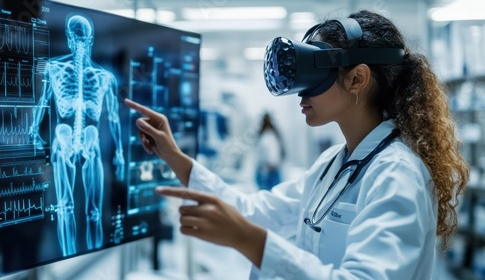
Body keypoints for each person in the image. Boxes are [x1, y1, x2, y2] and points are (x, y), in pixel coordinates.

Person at [125, 10, 469, 279]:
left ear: (357, 79)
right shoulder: (332, 164)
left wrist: (250, 242)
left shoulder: (396, 175)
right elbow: (252, 211)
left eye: (312, 75)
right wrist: (173, 155)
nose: (299, 93)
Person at [30, 14, 125, 256]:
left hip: (91, 142)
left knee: (93, 210)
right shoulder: (54, 68)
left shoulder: (105, 77)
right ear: (70, 40)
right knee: (65, 207)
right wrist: (33, 129)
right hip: (63, 140)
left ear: (88, 40)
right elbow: (43, 101)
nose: (78, 43)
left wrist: (120, 153)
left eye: (80, 38)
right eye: (75, 37)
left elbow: (113, 116)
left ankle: (93, 255)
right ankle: (68, 257)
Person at [255, 112, 285, 191]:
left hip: (269, 170)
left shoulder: (267, 136)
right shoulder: (272, 134)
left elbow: (270, 154)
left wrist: (270, 165)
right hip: (270, 169)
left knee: (269, 192)